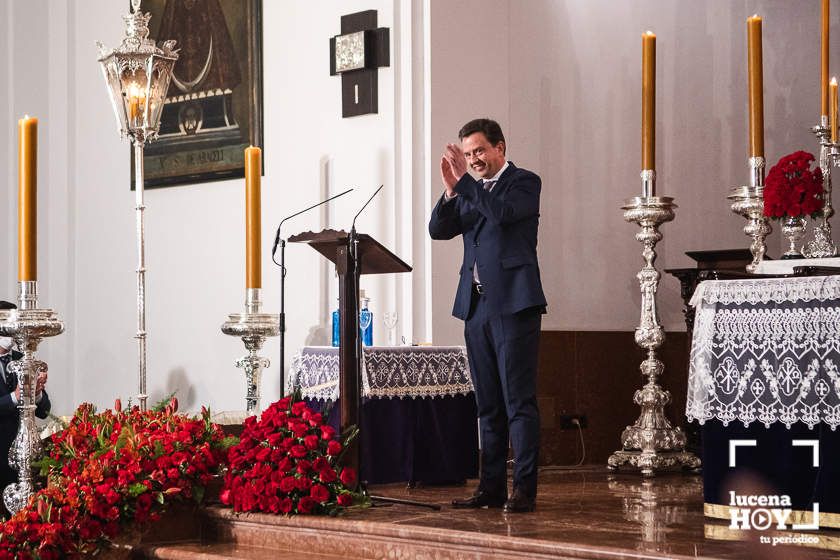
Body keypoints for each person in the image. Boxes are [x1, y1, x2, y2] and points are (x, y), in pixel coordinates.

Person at [429, 118, 546, 513]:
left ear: (501, 147)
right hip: (476, 307)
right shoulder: (467, 191)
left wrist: (465, 185)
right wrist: (449, 192)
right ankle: (491, 488)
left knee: (518, 402)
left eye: (479, 151)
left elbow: (500, 215)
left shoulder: (525, 183)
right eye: (467, 154)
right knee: (488, 405)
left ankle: (524, 490)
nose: (473, 160)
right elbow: (438, 229)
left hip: (514, 306)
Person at [0, 300, 51, 494]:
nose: (10, 334)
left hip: (21, 459)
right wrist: (15, 397)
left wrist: (36, 393)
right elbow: (14, 398)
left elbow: (45, 411)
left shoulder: (21, 359)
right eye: (6, 326)